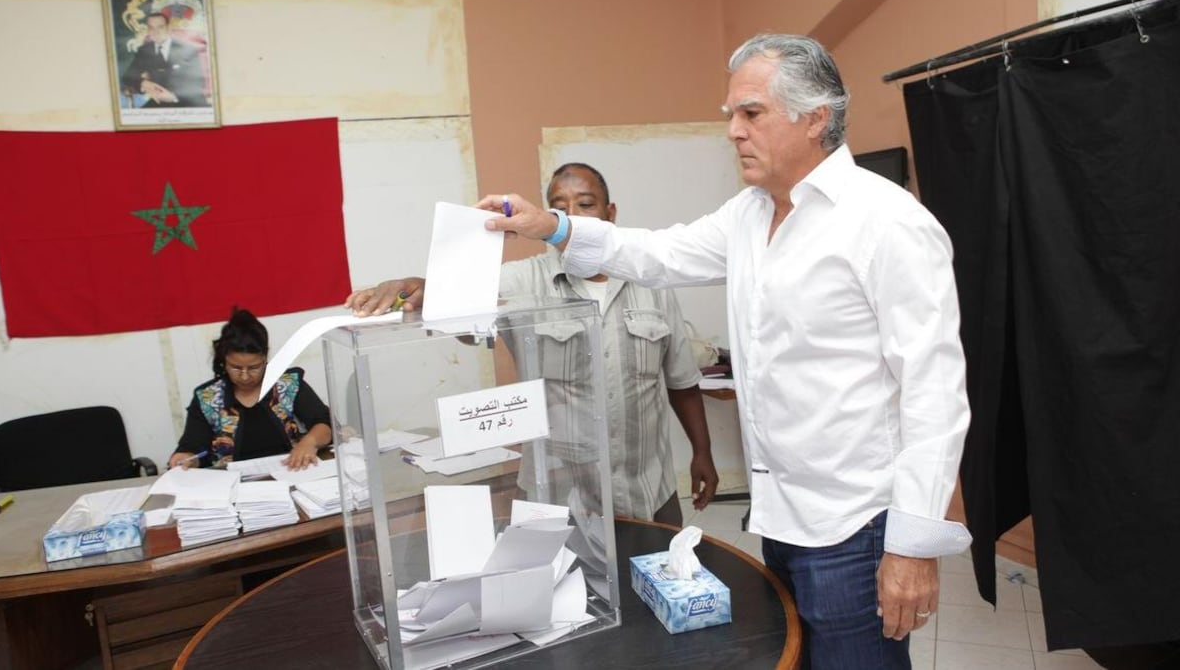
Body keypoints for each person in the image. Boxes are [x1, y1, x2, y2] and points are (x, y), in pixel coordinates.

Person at [477, 34, 972, 669]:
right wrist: (555, 227)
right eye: (731, 116)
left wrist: (912, 547)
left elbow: (935, 391)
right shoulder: (749, 214)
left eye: (751, 113)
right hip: (782, 516)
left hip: (856, 524)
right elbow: (656, 254)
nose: (734, 131)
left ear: (815, 115)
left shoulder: (888, 223)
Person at [345, 163, 719, 526]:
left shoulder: (652, 282)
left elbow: (681, 381)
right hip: (558, 496)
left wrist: (702, 453)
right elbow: (456, 295)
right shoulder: (522, 284)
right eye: (558, 207)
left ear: (610, 213)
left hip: (648, 489)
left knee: (656, 586)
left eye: (586, 204)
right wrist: (418, 285)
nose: (573, 215)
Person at [168, 307, 332, 471]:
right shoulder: (208, 398)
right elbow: (192, 448)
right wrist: (187, 459)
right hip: (230, 485)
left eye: (254, 367)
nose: (245, 376)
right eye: (236, 368)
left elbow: (324, 423)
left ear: (265, 357)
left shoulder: (287, 385)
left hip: (290, 472)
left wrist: (309, 442)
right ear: (224, 360)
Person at [119, 12, 208, 108]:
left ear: (168, 28)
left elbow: (198, 82)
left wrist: (174, 97)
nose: (155, 32)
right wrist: (143, 83)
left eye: (160, 27)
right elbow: (127, 77)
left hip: (188, 102)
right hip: (159, 103)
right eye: (151, 28)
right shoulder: (144, 50)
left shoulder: (188, 49)